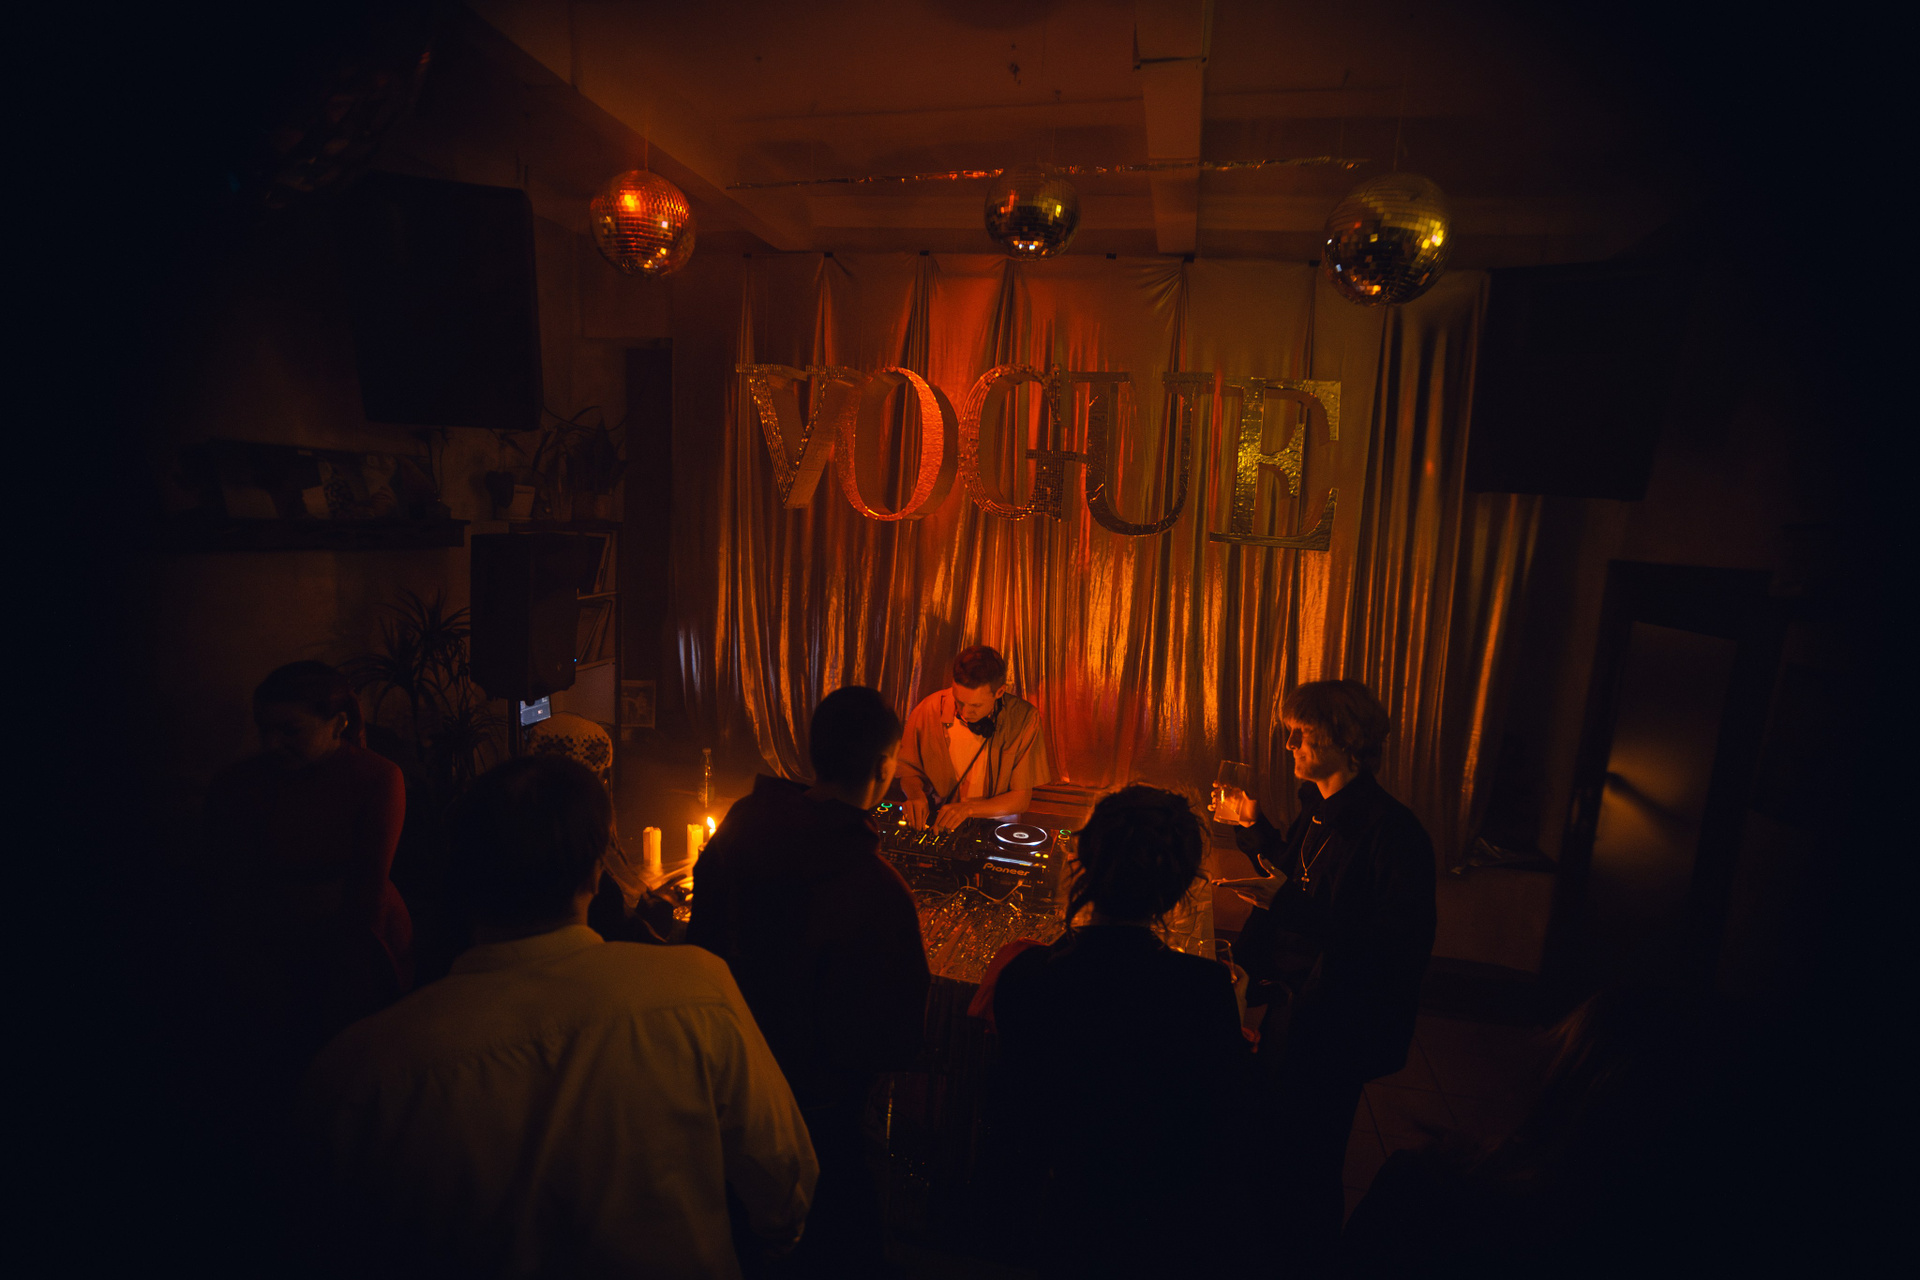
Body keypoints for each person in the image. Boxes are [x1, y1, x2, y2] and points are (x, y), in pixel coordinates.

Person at [299, 755, 816, 1279]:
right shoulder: (698, 990)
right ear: (597, 872)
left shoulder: (359, 1069)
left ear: (460, 875)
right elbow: (784, 1175)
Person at [688, 686, 931, 1279]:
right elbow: (895, 1036)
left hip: (722, 1095)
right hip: (824, 1121)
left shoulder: (742, 825)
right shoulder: (877, 890)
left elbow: (702, 946)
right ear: (884, 768)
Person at [1212, 679, 1437, 1274]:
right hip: (1297, 1006)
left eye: (1302, 734)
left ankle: (1306, 1260)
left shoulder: (1394, 834)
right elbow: (1295, 877)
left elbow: (1395, 945)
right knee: (1278, 1143)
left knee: (1309, 1162)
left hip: (1338, 1021)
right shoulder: (1320, 809)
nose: (1289, 744)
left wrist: (1289, 904)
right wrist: (1253, 825)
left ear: (1347, 740)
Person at [990, 786, 1255, 1278]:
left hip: (1052, 1217)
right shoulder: (1202, 989)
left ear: (1083, 861)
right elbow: (1218, 1129)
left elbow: (1014, 1119)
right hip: (1156, 1226)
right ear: (1179, 887)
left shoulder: (1028, 974)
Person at [204, 661, 414, 1051]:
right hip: (268, 938)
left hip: (355, 935)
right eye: (264, 730)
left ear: (338, 724)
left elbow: (367, 888)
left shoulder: (376, 776)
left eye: (290, 730)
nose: (272, 744)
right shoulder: (240, 783)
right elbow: (229, 878)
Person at [897, 644, 1052, 831]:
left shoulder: (1025, 719)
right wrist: (915, 795)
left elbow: (1020, 799)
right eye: (959, 701)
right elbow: (909, 772)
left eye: (975, 706)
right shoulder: (928, 709)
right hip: (938, 824)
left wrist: (967, 810)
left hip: (997, 827)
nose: (964, 712)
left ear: (999, 692)